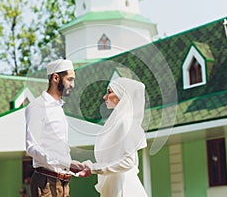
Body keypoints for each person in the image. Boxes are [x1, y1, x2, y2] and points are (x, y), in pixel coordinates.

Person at [25, 59, 88, 197]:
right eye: (70, 79)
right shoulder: (37, 107)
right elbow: (32, 147)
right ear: (55, 78)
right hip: (46, 183)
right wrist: (67, 163)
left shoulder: (59, 108)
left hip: (63, 183)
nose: (73, 85)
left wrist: (70, 165)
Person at [83, 77, 148, 197]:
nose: (104, 97)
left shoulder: (126, 122)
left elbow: (128, 162)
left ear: (122, 95)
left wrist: (94, 168)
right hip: (113, 187)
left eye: (109, 92)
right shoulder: (115, 123)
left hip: (124, 188)